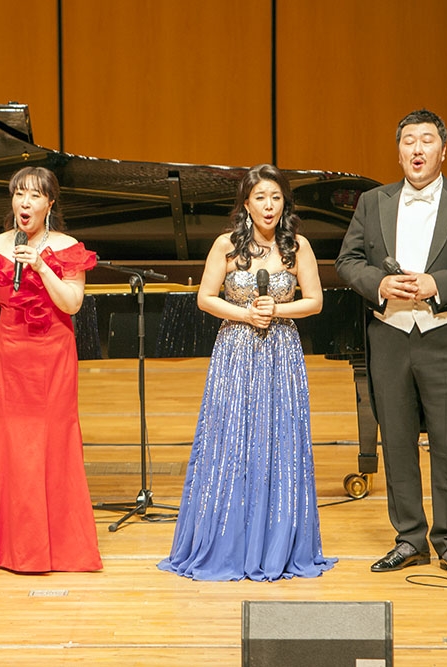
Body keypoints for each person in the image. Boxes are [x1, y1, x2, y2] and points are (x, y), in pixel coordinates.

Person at [336, 109, 447, 576]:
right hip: (389, 336)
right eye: (408, 141)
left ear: (442, 150)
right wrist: (379, 285)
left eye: (426, 140)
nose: (416, 149)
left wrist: (437, 284)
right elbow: (348, 259)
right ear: (399, 151)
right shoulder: (373, 201)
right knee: (397, 441)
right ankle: (409, 537)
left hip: (443, 336)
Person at [158, 164, 335, 582]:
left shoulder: (298, 247)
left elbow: (315, 302)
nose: (268, 206)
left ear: (284, 202)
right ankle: (227, 541)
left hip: (281, 352)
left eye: (275, 198)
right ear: (246, 203)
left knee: (279, 440)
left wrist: (277, 310)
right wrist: (243, 314)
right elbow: (204, 298)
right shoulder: (225, 244)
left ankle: (277, 543)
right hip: (236, 352)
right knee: (232, 440)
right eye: (260, 198)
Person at [0, 166, 102, 573]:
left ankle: (62, 549)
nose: (25, 203)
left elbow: (72, 304)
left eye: (34, 195)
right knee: (15, 445)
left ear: (49, 203)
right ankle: (15, 549)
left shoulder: (68, 247)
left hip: (54, 356)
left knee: (55, 443)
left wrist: (42, 267)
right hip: (11, 355)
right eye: (19, 194)